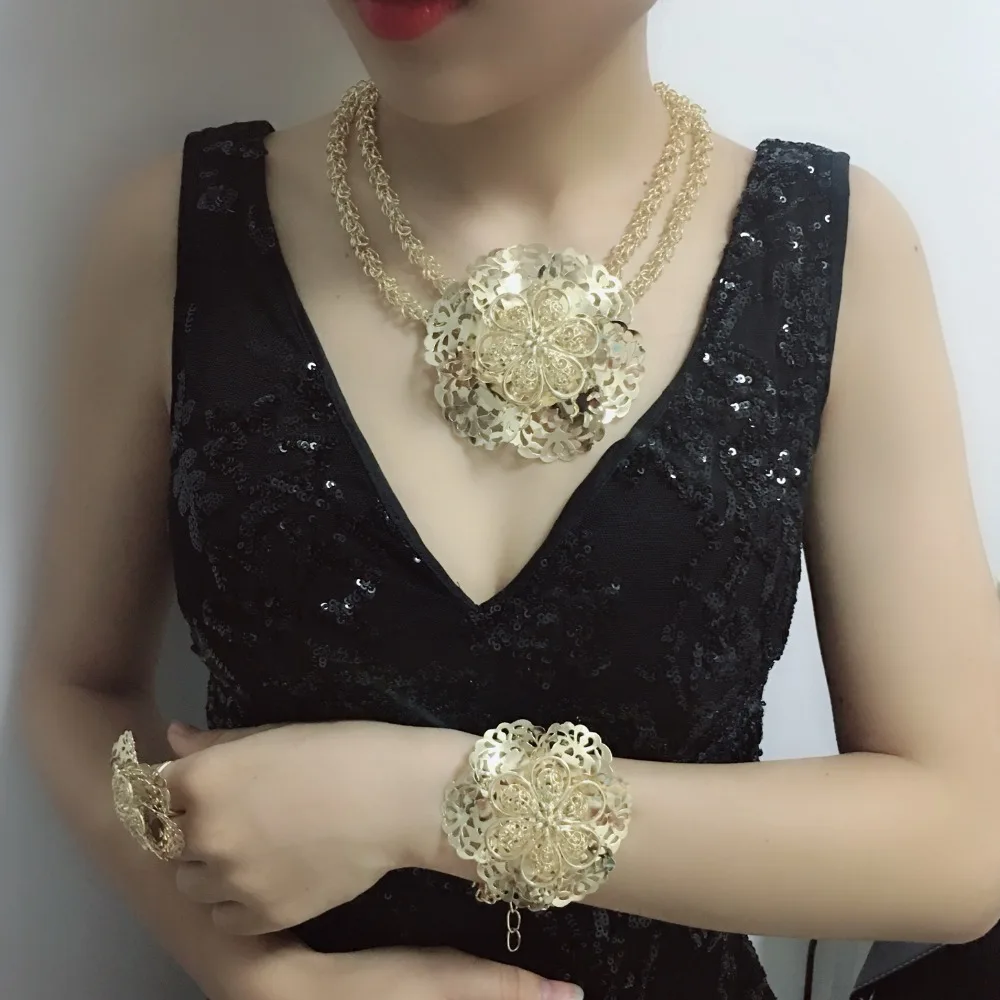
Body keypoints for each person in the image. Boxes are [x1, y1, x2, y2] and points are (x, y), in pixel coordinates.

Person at [17, 1, 1000, 999]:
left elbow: (961, 841)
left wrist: (422, 806)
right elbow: (78, 688)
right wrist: (261, 977)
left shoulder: (829, 250)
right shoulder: (180, 234)